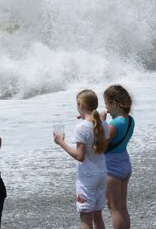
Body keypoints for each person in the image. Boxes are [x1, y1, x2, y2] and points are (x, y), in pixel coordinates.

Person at [54, 89, 110, 229]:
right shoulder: (103, 124)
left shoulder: (81, 127)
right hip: (102, 173)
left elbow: (80, 156)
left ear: (80, 105)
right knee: (98, 216)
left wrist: (60, 142)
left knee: (85, 217)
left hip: (87, 177)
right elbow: (103, 146)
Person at [101, 85, 135, 229]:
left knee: (114, 208)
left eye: (106, 104)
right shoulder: (130, 120)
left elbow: (100, 146)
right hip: (124, 163)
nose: (106, 107)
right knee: (122, 207)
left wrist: (101, 122)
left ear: (114, 104)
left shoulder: (114, 124)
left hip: (112, 167)